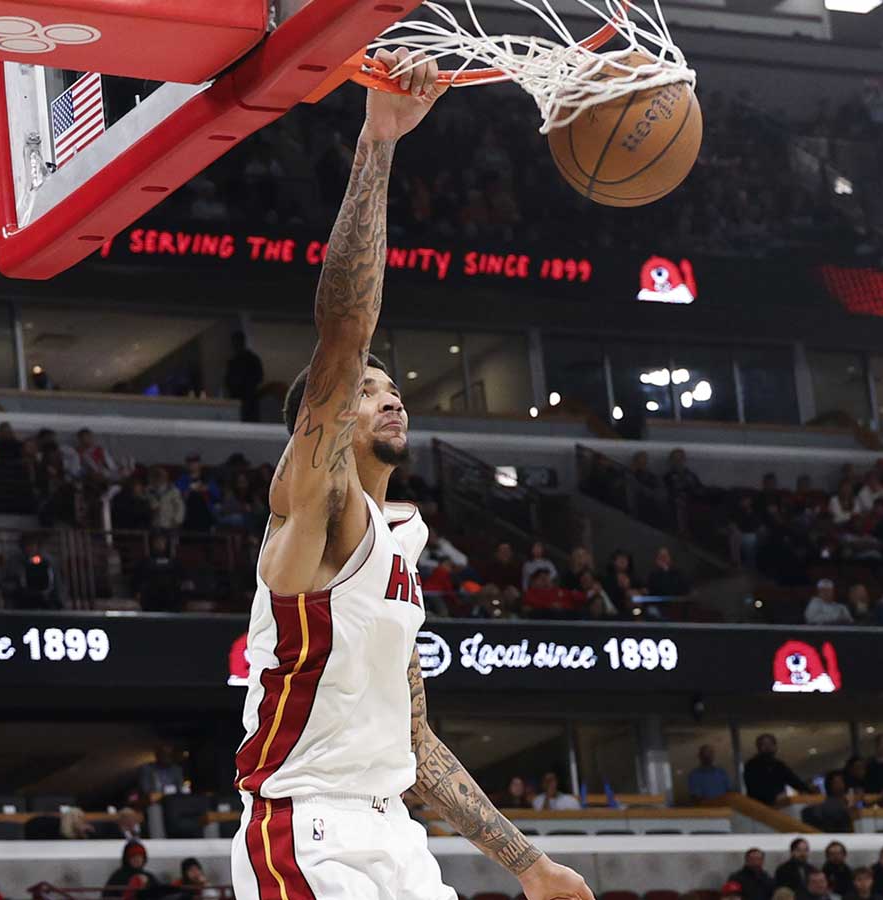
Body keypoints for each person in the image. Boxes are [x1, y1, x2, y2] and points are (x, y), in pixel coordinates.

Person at [230, 55, 589, 900]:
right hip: (304, 829)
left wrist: (531, 868)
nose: (387, 396)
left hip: (395, 833)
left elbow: (415, 742)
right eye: (364, 390)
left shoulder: (403, 540)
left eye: (393, 387)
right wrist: (378, 142)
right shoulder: (312, 513)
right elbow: (344, 331)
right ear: (317, 426)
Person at [745, 733, 810, 806]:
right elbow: (754, 788)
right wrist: (774, 797)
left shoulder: (779, 765)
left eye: (770, 744)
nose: (768, 747)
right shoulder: (751, 765)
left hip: (779, 806)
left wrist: (809, 792)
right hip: (760, 807)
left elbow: (794, 781)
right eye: (764, 744)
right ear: (759, 748)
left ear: (775, 747)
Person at [224, 330, 266, 423]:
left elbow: (259, 377)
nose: (235, 345)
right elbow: (227, 381)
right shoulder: (233, 362)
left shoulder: (251, 360)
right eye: (234, 343)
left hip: (249, 401)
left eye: (237, 342)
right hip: (237, 402)